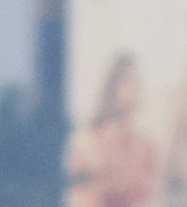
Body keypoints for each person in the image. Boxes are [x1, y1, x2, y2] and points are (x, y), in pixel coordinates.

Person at [68, 53, 160, 207]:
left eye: (138, 81)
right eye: (130, 80)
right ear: (113, 86)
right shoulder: (89, 143)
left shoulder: (145, 146)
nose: (137, 88)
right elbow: (81, 196)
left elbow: (150, 194)